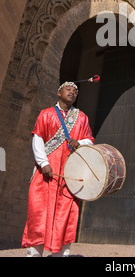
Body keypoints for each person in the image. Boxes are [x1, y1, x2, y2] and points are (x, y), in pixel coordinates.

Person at [22, 82, 94, 257]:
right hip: (46, 174)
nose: (72, 92)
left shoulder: (82, 118)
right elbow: (38, 139)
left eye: (75, 91)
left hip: (68, 176)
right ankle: (34, 253)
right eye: (68, 89)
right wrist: (44, 163)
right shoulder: (46, 114)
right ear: (59, 92)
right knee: (39, 212)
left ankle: (61, 254)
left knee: (66, 214)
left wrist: (80, 142)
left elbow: (90, 139)